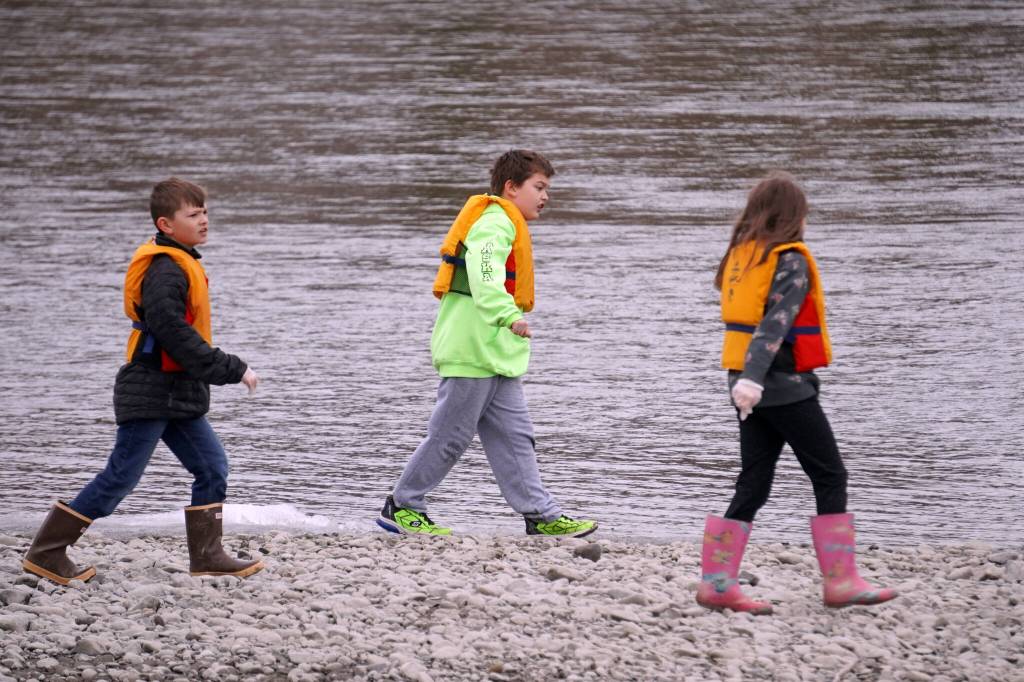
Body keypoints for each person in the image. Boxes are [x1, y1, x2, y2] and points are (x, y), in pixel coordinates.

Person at [22, 178, 264, 585]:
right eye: (193, 215)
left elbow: (179, 338)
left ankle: (208, 554)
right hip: (150, 390)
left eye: (205, 212)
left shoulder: (181, 261)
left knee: (212, 467)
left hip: (178, 394)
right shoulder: (166, 270)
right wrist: (231, 368)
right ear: (167, 225)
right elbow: (172, 331)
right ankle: (47, 552)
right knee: (121, 477)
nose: (204, 220)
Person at [696, 171, 897, 614]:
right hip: (779, 384)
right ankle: (841, 582)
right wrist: (755, 377)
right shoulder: (789, 259)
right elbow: (776, 324)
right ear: (794, 216)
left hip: (743, 382)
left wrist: (744, 380)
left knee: (755, 481)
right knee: (830, 474)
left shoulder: (743, 255)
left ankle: (717, 584)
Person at [377, 150, 597, 538]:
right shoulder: (495, 220)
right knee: (450, 437)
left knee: (516, 438)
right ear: (511, 188)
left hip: (496, 355)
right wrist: (508, 315)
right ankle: (403, 505)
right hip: (472, 351)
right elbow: (483, 272)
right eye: (539, 187)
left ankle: (541, 515)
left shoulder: (507, 222)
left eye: (547, 188)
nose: (545, 196)